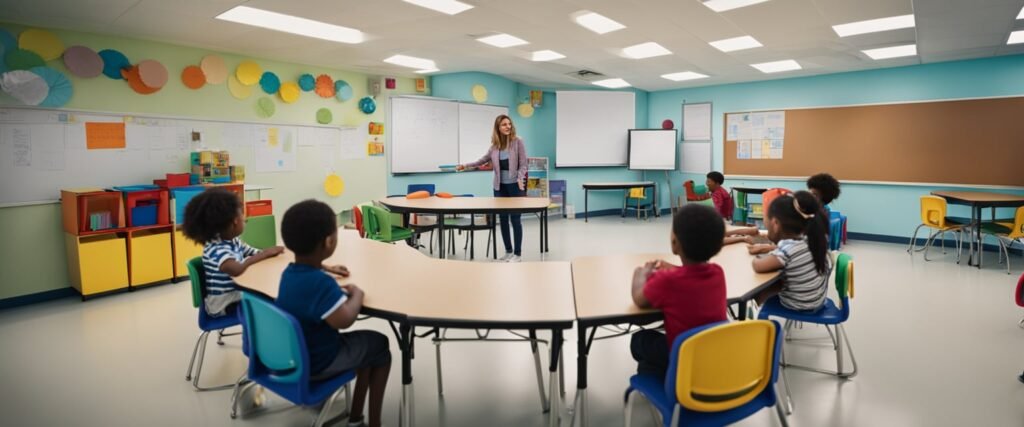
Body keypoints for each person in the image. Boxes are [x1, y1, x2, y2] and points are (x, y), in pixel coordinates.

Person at [276, 200, 391, 427]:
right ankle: (371, 421)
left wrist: (326, 268)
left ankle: (357, 417)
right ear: (329, 242)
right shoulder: (320, 283)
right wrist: (357, 294)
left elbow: (312, 285)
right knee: (379, 344)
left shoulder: (289, 274)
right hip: (319, 361)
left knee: (366, 347)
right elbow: (345, 319)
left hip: (294, 355)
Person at [629, 204, 728, 377]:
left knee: (639, 340)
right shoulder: (718, 272)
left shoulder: (667, 281)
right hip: (714, 355)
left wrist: (640, 274)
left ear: (675, 244)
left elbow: (639, 299)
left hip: (684, 363)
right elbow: (691, 278)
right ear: (719, 246)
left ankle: (653, 373)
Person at [182, 188, 283, 317]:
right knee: (270, 298)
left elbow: (252, 252)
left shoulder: (233, 240)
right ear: (234, 221)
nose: (245, 219)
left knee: (268, 294)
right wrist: (264, 254)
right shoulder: (217, 248)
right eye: (242, 214)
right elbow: (236, 269)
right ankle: (262, 331)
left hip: (234, 293)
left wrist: (270, 253)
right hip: (223, 303)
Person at [456, 114, 528, 262]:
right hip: (499, 187)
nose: (508, 126)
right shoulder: (494, 147)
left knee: (515, 219)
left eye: (509, 124)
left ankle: (518, 254)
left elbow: (524, 164)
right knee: (502, 219)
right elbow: (481, 160)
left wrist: (520, 177)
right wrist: (465, 165)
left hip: (515, 186)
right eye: (504, 124)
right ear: (498, 128)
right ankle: (508, 251)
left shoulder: (517, 142)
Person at [751, 191, 832, 311]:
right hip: (817, 299)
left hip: (800, 304)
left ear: (775, 223)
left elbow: (758, 266)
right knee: (778, 283)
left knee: (759, 291)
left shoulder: (787, 250)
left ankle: (751, 314)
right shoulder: (811, 239)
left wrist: (755, 257)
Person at [726, 172, 841, 249]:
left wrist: (766, 247)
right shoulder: (810, 212)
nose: (809, 195)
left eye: (814, 194)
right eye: (809, 192)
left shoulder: (815, 219)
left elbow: (800, 248)